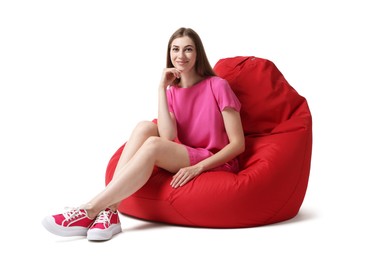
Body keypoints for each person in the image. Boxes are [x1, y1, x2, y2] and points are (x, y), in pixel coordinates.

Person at [42, 27, 245, 241]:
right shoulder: (172, 92)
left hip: (214, 160)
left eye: (188, 49)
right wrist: (161, 88)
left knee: (153, 145)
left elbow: (238, 144)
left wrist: (198, 167)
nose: (180, 56)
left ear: (198, 54)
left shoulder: (218, 86)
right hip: (190, 152)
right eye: (175, 49)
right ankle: (110, 212)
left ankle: (89, 210)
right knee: (144, 127)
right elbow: (168, 135)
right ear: (169, 53)